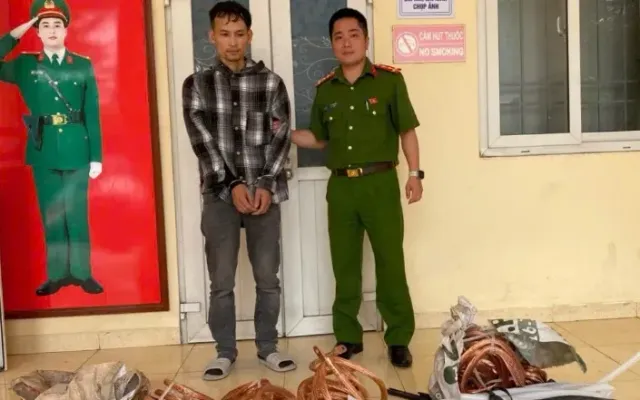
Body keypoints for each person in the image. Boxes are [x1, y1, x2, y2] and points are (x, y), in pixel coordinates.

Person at [291, 7, 424, 368]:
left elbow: (407, 130)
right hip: (341, 189)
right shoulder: (325, 90)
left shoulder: (389, 82)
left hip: (380, 184)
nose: (346, 42)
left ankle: (399, 337)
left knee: (390, 262)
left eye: (353, 35)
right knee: (344, 264)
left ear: (365, 39)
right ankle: (348, 337)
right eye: (339, 36)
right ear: (332, 43)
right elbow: (319, 139)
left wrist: (415, 173)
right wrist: (285, 134)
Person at [181, 1, 295, 381]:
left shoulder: (271, 84)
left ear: (249, 36)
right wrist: (231, 184)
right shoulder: (197, 85)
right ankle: (224, 352)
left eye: (239, 34)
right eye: (224, 34)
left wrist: (265, 184)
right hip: (219, 197)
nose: (232, 42)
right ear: (212, 37)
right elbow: (202, 141)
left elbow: (281, 137)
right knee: (222, 281)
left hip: (264, 196)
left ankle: (268, 347)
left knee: (267, 277)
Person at [0, 0, 104, 296]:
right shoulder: (25, 65)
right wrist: (16, 33)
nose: (52, 30)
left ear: (66, 30)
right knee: (52, 215)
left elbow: (92, 111)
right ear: (37, 31)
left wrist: (96, 157)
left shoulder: (81, 64)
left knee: (76, 215)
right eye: (44, 25)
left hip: (77, 147)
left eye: (57, 24)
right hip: (43, 148)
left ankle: (82, 273)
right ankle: (57, 274)